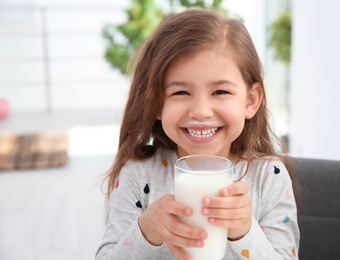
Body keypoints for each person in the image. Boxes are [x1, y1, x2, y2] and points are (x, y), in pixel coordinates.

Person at [96, 8, 300, 260]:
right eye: (181, 93)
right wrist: (146, 230)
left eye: (220, 92)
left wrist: (244, 231)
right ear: (156, 103)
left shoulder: (269, 177)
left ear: (250, 100)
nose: (201, 112)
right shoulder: (138, 175)